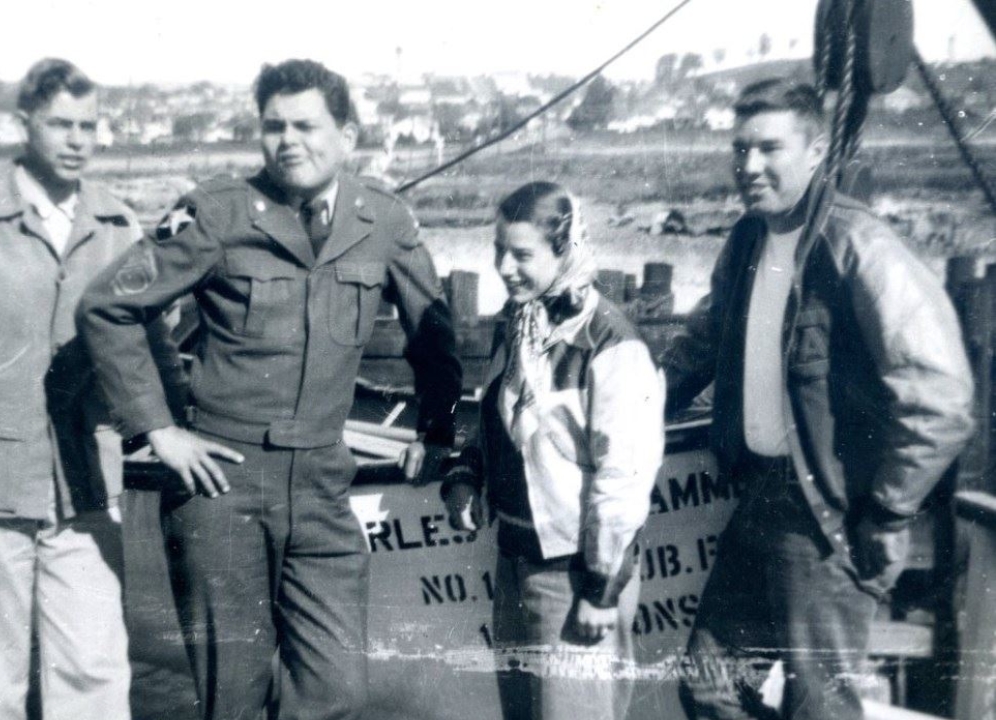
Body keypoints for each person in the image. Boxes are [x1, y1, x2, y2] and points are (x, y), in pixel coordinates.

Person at [77, 58, 462, 720]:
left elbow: (434, 336)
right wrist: (157, 429)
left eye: (307, 126)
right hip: (222, 484)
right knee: (232, 698)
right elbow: (108, 306)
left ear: (348, 134)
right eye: (273, 126)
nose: (289, 141)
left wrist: (437, 430)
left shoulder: (385, 222)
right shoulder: (215, 214)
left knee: (339, 690)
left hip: (321, 485)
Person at [664, 79, 974, 720]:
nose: (749, 167)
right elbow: (700, 345)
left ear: (816, 151)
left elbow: (941, 395)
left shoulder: (860, 247)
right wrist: (621, 404)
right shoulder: (748, 242)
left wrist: (887, 513)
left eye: (769, 149)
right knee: (710, 683)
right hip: (759, 500)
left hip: (829, 516)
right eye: (740, 150)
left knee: (819, 706)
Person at [0, 58, 181, 720]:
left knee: (95, 672)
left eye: (89, 125)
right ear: (24, 125)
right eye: (60, 124)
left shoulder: (118, 228)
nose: (78, 139)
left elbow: (148, 345)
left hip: (84, 484)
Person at [440, 181, 664, 720]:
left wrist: (600, 591)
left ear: (565, 251)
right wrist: (467, 473)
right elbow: (493, 411)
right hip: (517, 561)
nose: (504, 268)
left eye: (521, 255)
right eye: (499, 251)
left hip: (572, 573)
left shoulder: (611, 343)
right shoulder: (520, 323)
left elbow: (624, 478)